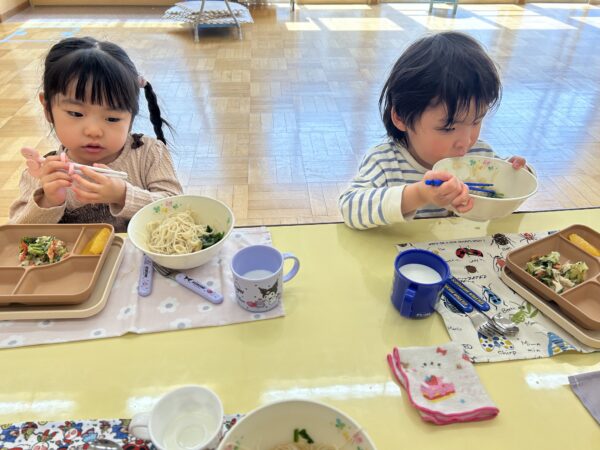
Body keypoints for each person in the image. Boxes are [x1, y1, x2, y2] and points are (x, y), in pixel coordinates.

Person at [338, 32, 527, 230]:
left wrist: (515, 174)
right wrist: (418, 195)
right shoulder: (385, 163)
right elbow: (350, 208)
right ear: (401, 117)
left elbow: (500, 193)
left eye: (476, 121)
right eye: (448, 128)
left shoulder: (480, 158)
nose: (466, 142)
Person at [8, 37, 183, 232]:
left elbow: (178, 209)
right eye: (76, 114)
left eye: (112, 118)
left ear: (131, 116)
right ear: (48, 109)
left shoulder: (149, 154)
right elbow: (16, 235)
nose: (94, 131)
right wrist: (48, 201)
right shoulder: (42, 172)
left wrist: (123, 195)